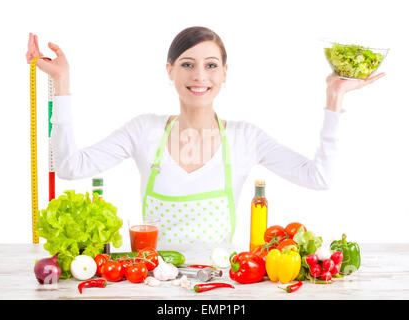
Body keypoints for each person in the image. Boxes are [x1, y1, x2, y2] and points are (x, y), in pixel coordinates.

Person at [26, 26, 385, 246]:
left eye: (211, 65)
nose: (200, 76)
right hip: (150, 287)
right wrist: (62, 83)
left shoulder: (247, 139)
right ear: (170, 70)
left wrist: (334, 99)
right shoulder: (144, 130)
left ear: (225, 73)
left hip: (222, 288)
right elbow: (71, 167)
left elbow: (319, 178)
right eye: (187, 63)